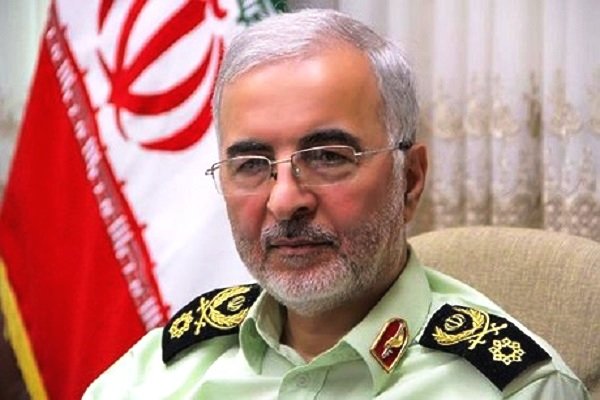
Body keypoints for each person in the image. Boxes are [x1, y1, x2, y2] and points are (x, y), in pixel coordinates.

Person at [84, 9, 589, 399]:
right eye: (252, 164)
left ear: (410, 181)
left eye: (328, 157)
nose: (285, 201)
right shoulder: (163, 370)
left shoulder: (514, 389)